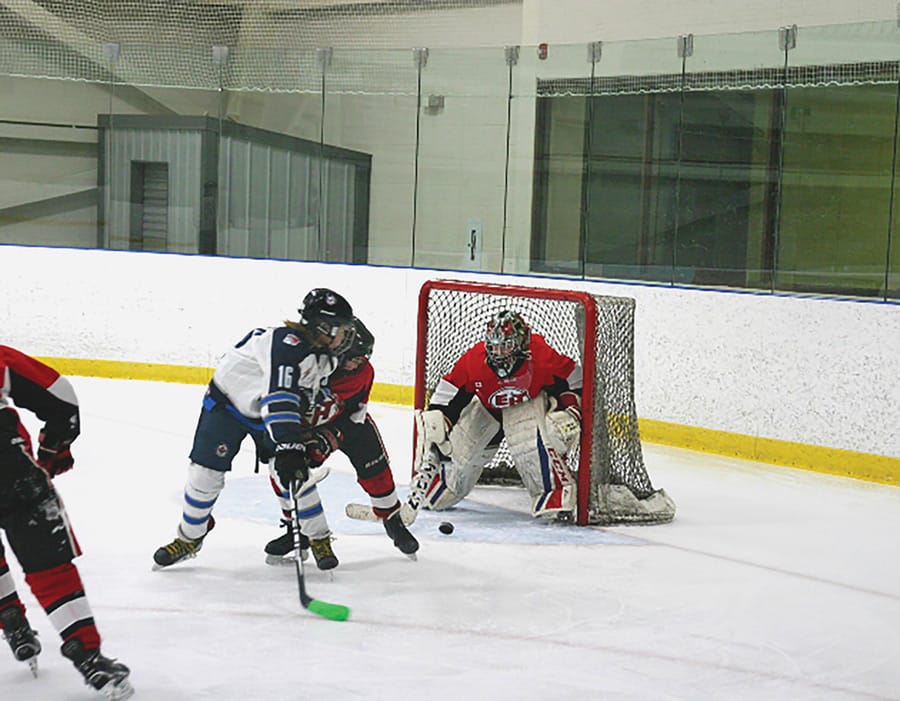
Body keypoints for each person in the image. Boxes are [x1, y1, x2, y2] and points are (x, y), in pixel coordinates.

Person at [152, 288, 357, 569]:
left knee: (294, 474)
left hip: (265, 412)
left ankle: (317, 536)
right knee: (204, 475)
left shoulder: (323, 357)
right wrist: (289, 445)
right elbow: (280, 396)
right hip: (227, 406)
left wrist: (296, 445)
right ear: (324, 328)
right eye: (342, 329)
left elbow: (299, 397)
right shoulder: (287, 345)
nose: (345, 336)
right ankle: (189, 538)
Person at [0, 346, 133, 700]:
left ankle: (9, 616)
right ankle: (87, 656)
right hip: (10, 470)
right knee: (49, 566)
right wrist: (51, 453)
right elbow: (62, 399)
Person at [264, 317, 419, 567]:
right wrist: (296, 440)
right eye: (355, 357)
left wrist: (331, 437)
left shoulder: (364, 372)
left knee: (375, 465)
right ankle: (297, 530)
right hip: (301, 431)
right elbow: (281, 404)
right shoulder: (308, 367)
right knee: (285, 470)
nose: (361, 362)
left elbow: (356, 416)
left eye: (364, 356)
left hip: (345, 424)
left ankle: (393, 520)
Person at [414, 309, 583, 518]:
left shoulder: (540, 355)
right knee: (462, 451)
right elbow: (448, 396)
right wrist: (439, 422)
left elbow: (575, 380)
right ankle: (439, 486)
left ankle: (554, 495)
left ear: (521, 343)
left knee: (531, 443)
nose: (499, 353)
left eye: (506, 346)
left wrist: (571, 409)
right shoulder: (474, 360)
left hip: (528, 405)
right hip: (489, 408)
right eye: (494, 347)